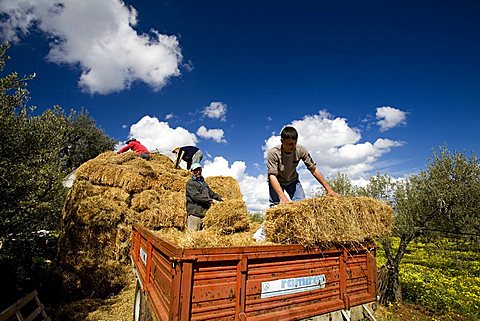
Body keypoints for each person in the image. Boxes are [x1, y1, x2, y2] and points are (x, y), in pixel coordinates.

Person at [267, 126, 337, 206]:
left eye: (295, 143)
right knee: (276, 206)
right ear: (282, 141)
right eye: (290, 144)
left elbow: (313, 169)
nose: (293, 147)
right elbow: (272, 176)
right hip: (277, 181)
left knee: (302, 206)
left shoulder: (301, 150)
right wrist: (282, 197)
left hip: (292, 181)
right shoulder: (273, 153)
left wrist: (329, 189)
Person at [185, 163, 223, 231]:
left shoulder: (204, 183)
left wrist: (221, 198)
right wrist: (210, 201)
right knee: (192, 236)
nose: (198, 172)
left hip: (204, 214)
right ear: (192, 172)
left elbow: (211, 193)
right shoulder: (190, 183)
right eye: (195, 170)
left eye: (199, 170)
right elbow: (196, 196)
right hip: (195, 214)